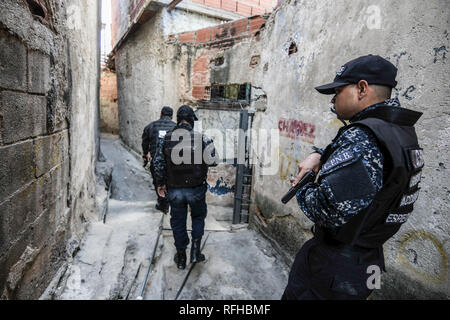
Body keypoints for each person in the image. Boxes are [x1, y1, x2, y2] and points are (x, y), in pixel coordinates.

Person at [282, 55, 424, 300]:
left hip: (335, 266)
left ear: (361, 89)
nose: (333, 99)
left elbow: (325, 210)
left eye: (337, 91)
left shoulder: (363, 137)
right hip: (366, 259)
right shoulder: (399, 130)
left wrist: (301, 186)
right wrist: (319, 155)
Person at [152, 105, 218, 269]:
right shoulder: (202, 138)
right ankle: (195, 252)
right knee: (197, 218)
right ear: (191, 121)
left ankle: (181, 257)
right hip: (196, 189)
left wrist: (160, 184)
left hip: (174, 190)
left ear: (178, 120)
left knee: (178, 221)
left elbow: (157, 162)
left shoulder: (166, 138)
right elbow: (214, 160)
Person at [142, 106, 176, 213]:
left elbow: (145, 142)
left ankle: (162, 202)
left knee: (157, 181)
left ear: (160, 114)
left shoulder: (150, 126)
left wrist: (145, 154)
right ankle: (165, 202)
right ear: (172, 116)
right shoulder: (176, 127)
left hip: (155, 161)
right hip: (171, 162)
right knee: (170, 181)